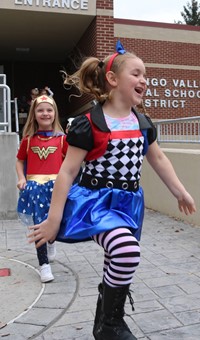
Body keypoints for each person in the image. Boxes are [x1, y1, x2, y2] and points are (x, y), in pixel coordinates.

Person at [28, 41, 196, 339]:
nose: (144, 79)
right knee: (127, 252)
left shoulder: (143, 123)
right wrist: (54, 219)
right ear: (113, 79)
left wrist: (179, 191)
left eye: (146, 75)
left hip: (128, 203)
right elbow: (67, 172)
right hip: (96, 203)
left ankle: (103, 323)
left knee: (115, 258)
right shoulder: (90, 123)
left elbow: (158, 158)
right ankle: (111, 323)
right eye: (136, 73)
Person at [16, 95, 68, 283]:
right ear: (34, 114)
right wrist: (22, 178)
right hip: (35, 188)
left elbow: (72, 164)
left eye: (49, 110)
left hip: (57, 188)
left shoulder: (63, 140)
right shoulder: (28, 140)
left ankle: (52, 242)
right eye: (40, 110)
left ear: (55, 114)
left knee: (55, 221)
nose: (45, 113)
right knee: (39, 224)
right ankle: (43, 264)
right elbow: (20, 160)